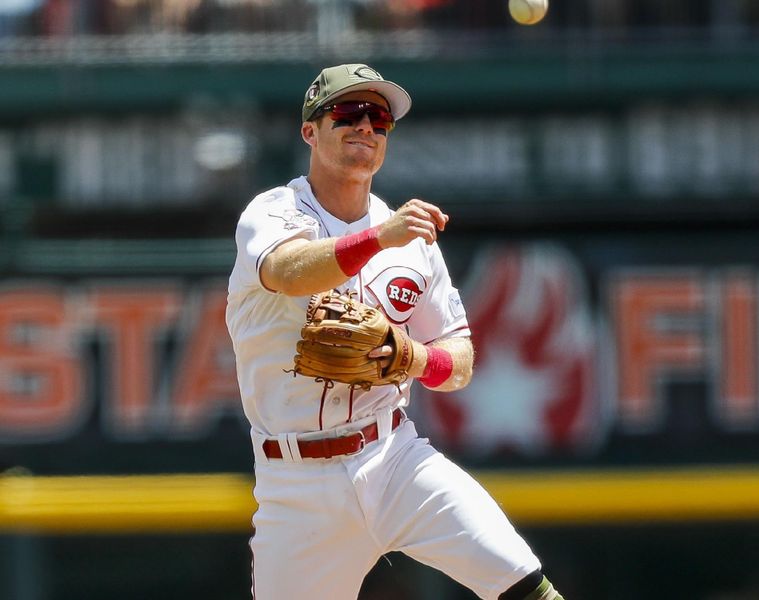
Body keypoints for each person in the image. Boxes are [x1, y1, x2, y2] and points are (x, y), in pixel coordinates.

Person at [226, 63, 565, 600]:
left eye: (379, 118)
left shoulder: (412, 241)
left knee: (526, 586)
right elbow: (290, 272)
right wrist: (380, 237)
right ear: (310, 131)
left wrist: (412, 358)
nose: (366, 126)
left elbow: (461, 359)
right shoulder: (273, 212)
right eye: (348, 113)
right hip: (295, 485)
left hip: (393, 457)